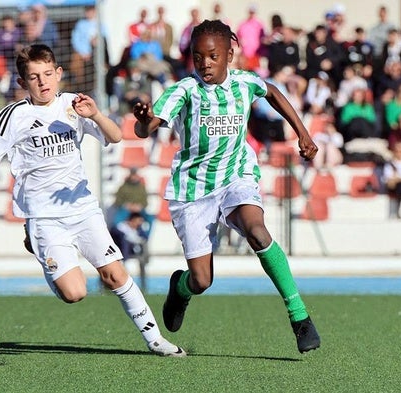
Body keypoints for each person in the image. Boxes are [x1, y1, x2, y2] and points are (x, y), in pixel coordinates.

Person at [0, 44, 185, 357]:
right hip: (43, 217)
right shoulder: (13, 116)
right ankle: (40, 247)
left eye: (47, 74)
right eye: (34, 77)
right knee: (75, 293)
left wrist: (95, 114)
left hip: (83, 209)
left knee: (115, 274)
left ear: (58, 74)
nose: (42, 82)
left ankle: (155, 340)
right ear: (22, 83)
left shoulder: (74, 104)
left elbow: (115, 136)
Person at [132, 20, 320, 354]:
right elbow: (147, 129)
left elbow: (273, 92)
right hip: (193, 189)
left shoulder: (245, 83)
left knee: (258, 233)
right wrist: (144, 119)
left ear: (229, 55)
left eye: (213, 56)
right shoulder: (183, 90)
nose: (204, 62)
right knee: (202, 280)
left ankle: (299, 317)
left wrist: (302, 132)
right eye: (197, 56)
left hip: (235, 176)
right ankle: (181, 288)